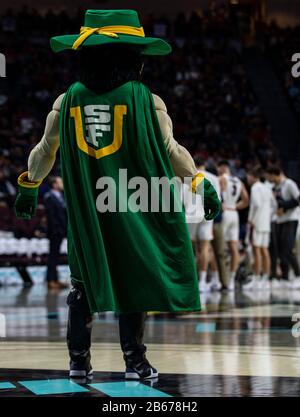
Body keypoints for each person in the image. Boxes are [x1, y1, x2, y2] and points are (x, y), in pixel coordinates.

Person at [14, 9, 220, 381]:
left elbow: (45, 150)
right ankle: (135, 363)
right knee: (133, 281)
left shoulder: (68, 100)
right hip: (131, 206)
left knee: (81, 282)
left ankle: (78, 362)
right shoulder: (146, 100)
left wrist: (30, 183)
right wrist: (197, 181)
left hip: (87, 210)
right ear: (133, 58)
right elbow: (171, 150)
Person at [266, 165, 300, 289]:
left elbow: (297, 200)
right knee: (280, 251)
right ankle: (285, 278)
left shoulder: (289, 184)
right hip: (280, 221)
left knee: (288, 249)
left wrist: (284, 208)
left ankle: (297, 275)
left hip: (291, 219)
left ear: (277, 174)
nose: (269, 179)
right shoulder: (275, 187)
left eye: (270, 176)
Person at [217, 160, 249, 291]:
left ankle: (217, 279)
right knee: (234, 247)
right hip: (234, 213)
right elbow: (246, 199)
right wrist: (235, 206)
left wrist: (223, 205)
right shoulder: (238, 181)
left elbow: (219, 196)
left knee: (218, 246)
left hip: (225, 213)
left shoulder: (221, 178)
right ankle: (231, 279)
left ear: (222, 168)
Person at [243, 167, 274, 290]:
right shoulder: (266, 187)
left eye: (248, 176)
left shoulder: (255, 188)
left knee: (256, 251)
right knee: (264, 251)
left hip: (257, 222)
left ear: (252, 176)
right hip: (266, 222)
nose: (247, 179)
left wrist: (251, 220)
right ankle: (265, 279)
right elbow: (273, 205)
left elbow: (256, 204)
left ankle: (256, 279)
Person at [44, 176, 68, 290]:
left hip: (60, 231)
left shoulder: (60, 197)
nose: (62, 184)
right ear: (54, 184)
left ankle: (55, 278)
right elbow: (51, 217)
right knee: (52, 256)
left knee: (56, 256)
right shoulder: (49, 197)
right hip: (54, 232)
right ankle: (50, 280)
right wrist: (57, 230)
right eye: (60, 182)